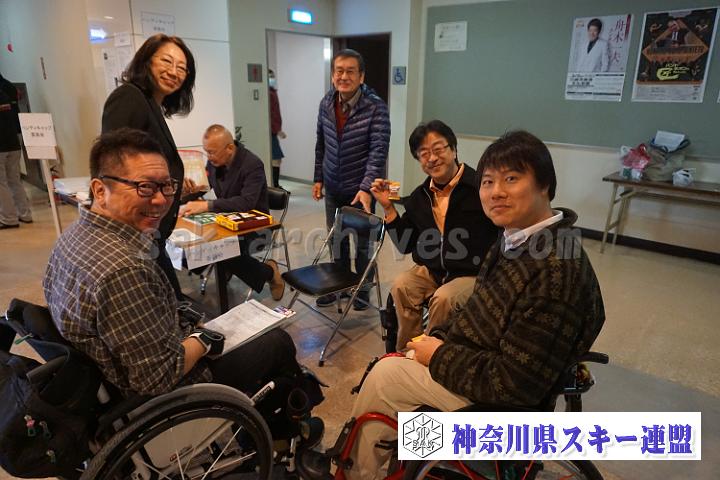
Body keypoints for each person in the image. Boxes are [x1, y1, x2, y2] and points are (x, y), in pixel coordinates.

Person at [299, 130, 606, 479]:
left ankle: (353, 471)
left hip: (503, 404)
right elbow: (411, 248)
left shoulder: (553, 270)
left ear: (545, 185)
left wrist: (438, 355)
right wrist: (436, 341)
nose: (496, 192)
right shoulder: (512, 237)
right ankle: (397, 446)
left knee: (386, 376)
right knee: (402, 298)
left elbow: (513, 383)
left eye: (511, 179)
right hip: (456, 311)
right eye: (489, 182)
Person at [43, 128, 322, 446]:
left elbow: (246, 202)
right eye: (145, 187)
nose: (161, 200)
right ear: (100, 189)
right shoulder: (123, 270)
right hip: (160, 393)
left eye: (166, 186)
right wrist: (202, 340)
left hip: (111, 377)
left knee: (224, 264)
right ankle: (283, 432)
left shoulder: (70, 239)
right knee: (277, 342)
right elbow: (158, 377)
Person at [369, 120, 497, 350]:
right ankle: (407, 351)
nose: (432, 158)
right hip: (434, 269)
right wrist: (388, 208)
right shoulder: (420, 197)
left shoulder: (480, 188)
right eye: (424, 153)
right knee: (401, 285)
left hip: (473, 273)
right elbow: (405, 244)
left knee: (444, 298)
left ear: (454, 149)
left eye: (438, 149)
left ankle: (434, 355)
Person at [102, 33, 200, 299]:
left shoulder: (150, 104)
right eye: (166, 61)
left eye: (182, 68)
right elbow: (114, 163)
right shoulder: (129, 97)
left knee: (169, 299)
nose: (174, 72)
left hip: (150, 230)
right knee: (168, 301)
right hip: (134, 229)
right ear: (146, 61)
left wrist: (172, 186)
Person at [313, 49, 390, 311]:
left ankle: (362, 289)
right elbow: (321, 143)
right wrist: (318, 178)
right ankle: (340, 285)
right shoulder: (326, 102)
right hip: (333, 185)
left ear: (361, 76)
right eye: (339, 71)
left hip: (360, 190)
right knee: (337, 240)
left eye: (350, 71)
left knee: (363, 243)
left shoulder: (376, 107)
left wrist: (366, 187)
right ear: (332, 75)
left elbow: (378, 150)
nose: (343, 76)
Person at [181, 124, 285, 300]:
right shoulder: (215, 162)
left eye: (212, 152)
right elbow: (206, 185)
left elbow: (246, 203)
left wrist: (207, 205)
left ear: (229, 148)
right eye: (206, 152)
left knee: (222, 251)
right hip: (226, 220)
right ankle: (223, 268)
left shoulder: (252, 164)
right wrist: (185, 197)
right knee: (194, 250)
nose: (209, 157)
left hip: (254, 226)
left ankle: (270, 272)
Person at [0, 72, 32, 229]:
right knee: (14, 180)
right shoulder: (9, 88)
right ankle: (25, 214)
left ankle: (9, 218)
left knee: (1, 183)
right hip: (14, 141)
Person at [268, 69, 286, 189]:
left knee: (276, 159)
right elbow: (268, 114)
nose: (272, 79)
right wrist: (277, 130)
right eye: (269, 77)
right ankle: (275, 185)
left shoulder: (273, 92)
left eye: (272, 76)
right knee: (276, 159)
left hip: (274, 131)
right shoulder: (268, 94)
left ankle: (275, 185)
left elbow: (275, 113)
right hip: (270, 132)